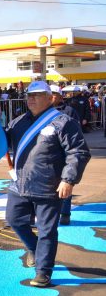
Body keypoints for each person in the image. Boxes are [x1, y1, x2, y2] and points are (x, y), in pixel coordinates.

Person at [5, 81, 90, 288]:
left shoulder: (63, 122)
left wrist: (68, 179)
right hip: (19, 184)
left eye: (37, 95)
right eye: (29, 95)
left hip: (48, 186)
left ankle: (43, 271)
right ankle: (34, 249)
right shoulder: (18, 121)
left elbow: (78, 152)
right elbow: (4, 139)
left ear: (50, 98)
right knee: (14, 220)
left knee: (47, 231)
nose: (31, 99)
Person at [50, 85, 80, 225]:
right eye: (49, 93)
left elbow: (76, 133)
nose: (51, 96)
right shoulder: (43, 111)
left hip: (65, 153)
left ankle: (65, 212)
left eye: (54, 94)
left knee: (66, 181)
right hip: (48, 154)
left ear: (61, 96)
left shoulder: (69, 111)